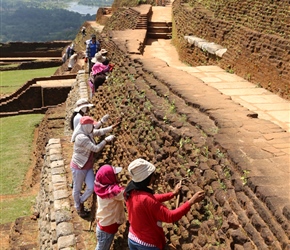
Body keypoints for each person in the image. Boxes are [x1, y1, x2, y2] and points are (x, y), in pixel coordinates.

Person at [124, 158, 205, 250]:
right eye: (152, 175)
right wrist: (191, 202)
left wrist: (172, 194)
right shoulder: (147, 200)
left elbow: (151, 199)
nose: (154, 178)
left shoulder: (131, 191)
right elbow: (170, 216)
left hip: (132, 238)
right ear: (146, 179)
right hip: (147, 244)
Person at [70, 116, 120, 217]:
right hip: (78, 167)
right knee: (77, 188)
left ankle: (80, 200)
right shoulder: (81, 137)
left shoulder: (87, 132)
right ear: (87, 126)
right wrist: (106, 141)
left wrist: (112, 127)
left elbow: (99, 132)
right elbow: (96, 148)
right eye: (92, 125)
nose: (93, 127)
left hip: (87, 166)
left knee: (92, 187)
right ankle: (78, 207)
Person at [94, 165, 126, 250]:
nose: (117, 176)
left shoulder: (100, 188)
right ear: (109, 178)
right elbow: (126, 194)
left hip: (103, 225)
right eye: (115, 175)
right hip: (107, 229)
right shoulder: (113, 192)